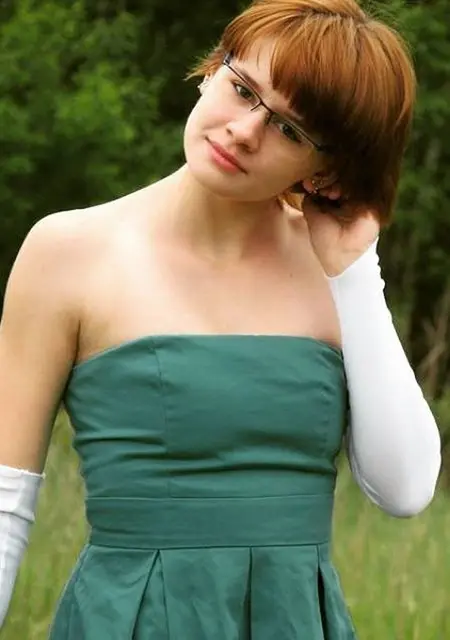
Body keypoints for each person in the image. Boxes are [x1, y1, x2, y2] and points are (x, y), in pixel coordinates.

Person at [0, 0, 442, 637]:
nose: (244, 132)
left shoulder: (337, 275)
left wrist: (354, 270)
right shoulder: (68, 251)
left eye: (290, 130)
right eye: (242, 91)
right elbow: (6, 503)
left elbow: (405, 489)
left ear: (327, 168)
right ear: (212, 70)